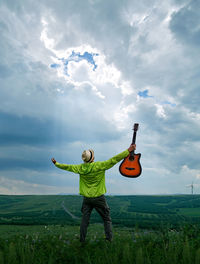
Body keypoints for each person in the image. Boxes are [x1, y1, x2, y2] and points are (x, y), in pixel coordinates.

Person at [51, 144, 136, 243]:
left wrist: (56, 163)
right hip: (99, 198)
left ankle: (82, 241)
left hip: (87, 199)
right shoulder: (99, 166)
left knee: (84, 221)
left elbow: (67, 167)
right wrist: (128, 151)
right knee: (107, 219)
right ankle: (109, 241)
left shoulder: (80, 168)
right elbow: (114, 159)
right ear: (92, 158)